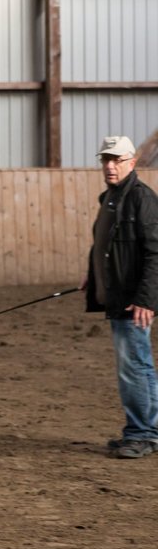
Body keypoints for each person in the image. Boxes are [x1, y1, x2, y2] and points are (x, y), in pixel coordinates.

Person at [85, 135, 158, 459]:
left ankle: (141, 434)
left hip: (133, 300)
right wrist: (94, 274)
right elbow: (105, 245)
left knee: (134, 367)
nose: (110, 166)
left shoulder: (142, 199)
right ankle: (146, 431)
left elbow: (155, 252)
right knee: (138, 365)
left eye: (116, 160)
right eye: (106, 160)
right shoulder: (110, 198)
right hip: (119, 295)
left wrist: (146, 299)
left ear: (131, 162)